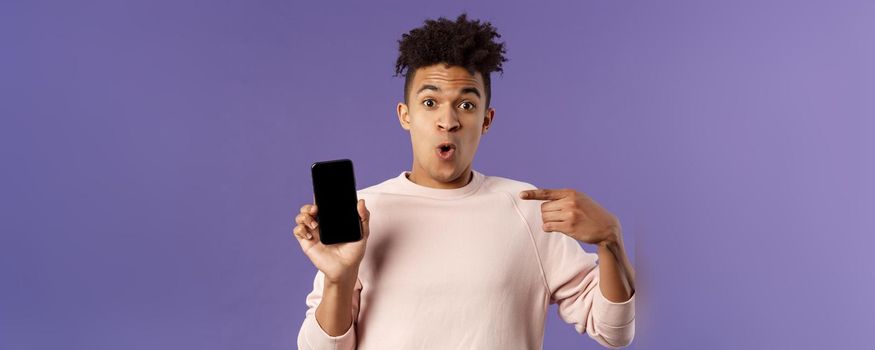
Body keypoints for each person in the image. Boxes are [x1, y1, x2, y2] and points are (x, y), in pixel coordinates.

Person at [292, 13, 636, 349]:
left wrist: (611, 241)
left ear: (486, 120)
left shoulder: (528, 209)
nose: (448, 120)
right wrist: (339, 279)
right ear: (405, 115)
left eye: (466, 105)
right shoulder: (363, 214)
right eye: (430, 102)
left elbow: (613, 332)